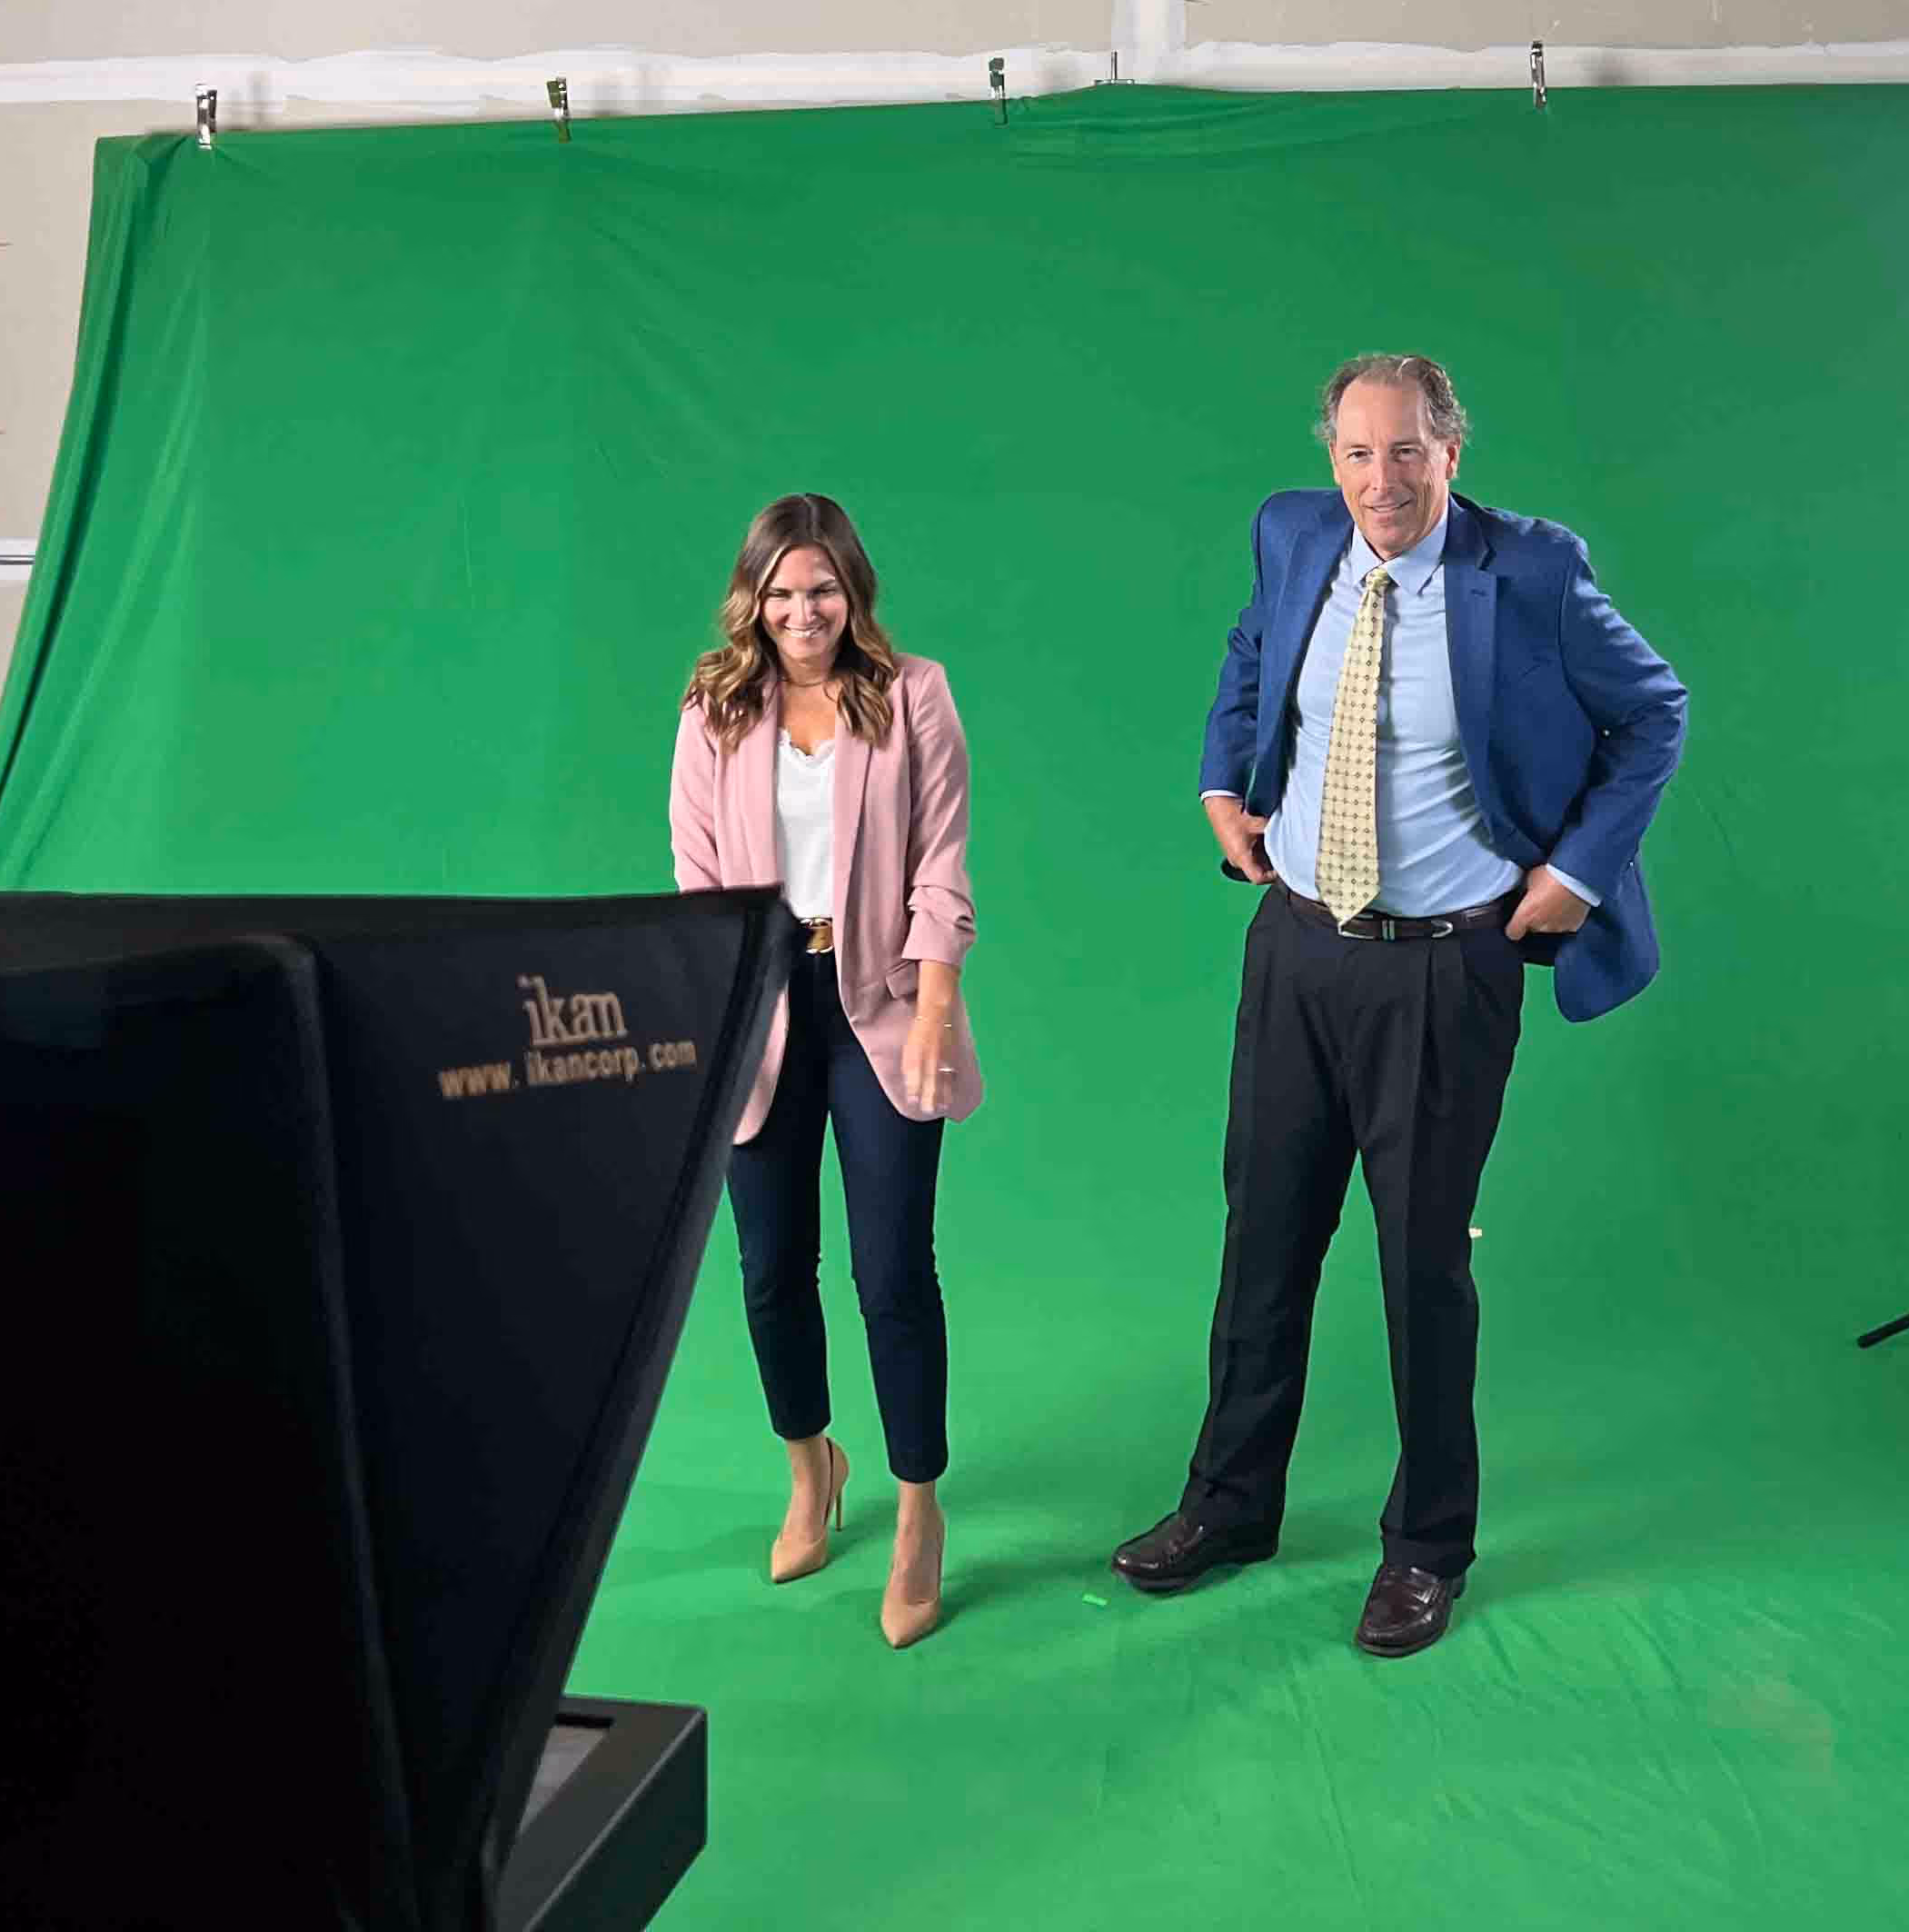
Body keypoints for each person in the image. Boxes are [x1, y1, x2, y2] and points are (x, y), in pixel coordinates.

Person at [1111, 354, 1687, 1657]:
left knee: (1422, 1263)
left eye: (1409, 452)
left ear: (1451, 453)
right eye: (1360, 453)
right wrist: (1221, 784)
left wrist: (1575, 875)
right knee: (1264, 1240)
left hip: (1443, 966)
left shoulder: (1530, 570)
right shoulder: (1291, 534)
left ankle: (1427, 1548)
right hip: (1297, 947)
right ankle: (1228, 1506)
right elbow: (1251, 656)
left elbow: (1654, 711)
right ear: (1333, 460)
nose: (1383, 480)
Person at [669, 493, 979, 1649]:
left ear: (855, 592)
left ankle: (917, 1510)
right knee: (768, 1269)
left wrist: (936, 1004)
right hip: (758, 1010)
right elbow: (697, 876)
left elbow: (942, 859)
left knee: (893, 1271)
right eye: (782, 593)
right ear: (753, 600)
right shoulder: (714, 707)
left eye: (824, 590)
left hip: (883, 1003)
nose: (804, 613)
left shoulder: (913, 695)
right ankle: (812, 1468)